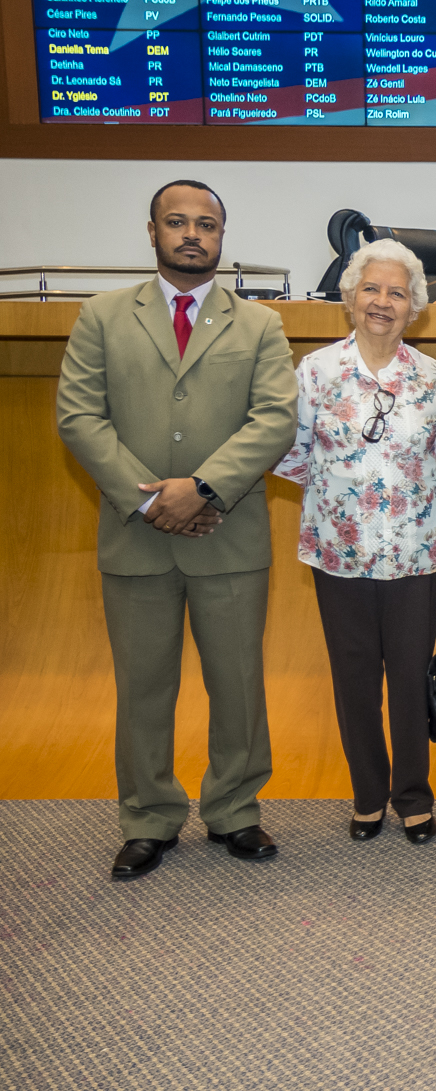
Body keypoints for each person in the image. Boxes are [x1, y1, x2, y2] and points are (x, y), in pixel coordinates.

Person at [56, 180, 298, 878]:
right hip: (135, 536)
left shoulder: (260, 326)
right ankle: (149, 816)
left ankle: (235, 811)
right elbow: (79, 418)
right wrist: (152, 501)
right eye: (178, 223)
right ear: (153, 231)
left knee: (239, 685)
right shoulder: (101, 316)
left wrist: (201, 489)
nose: (192, 235)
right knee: (143, 686)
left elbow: (274, 420)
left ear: (223, 237)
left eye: (207, 225)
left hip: (229, 533)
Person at [274, 239, 436, 845]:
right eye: (372, 289)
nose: (382, 302)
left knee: (409, 678)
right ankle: (367, 795)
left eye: (397, 293)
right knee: (354, 676)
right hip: (339, 553)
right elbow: (292, 455)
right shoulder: (315, 373)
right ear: (351, 297)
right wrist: (346, 493)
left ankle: (412, 795)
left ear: (416, 307)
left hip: (417, 556)